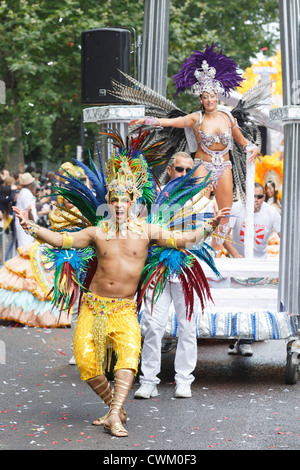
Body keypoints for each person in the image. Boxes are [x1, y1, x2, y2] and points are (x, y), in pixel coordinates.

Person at [13, 148, 230, 438]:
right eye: (114, 200)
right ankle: (115, 409)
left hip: (124, 309)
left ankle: (115, 415)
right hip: (93, 306)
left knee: (128, 358)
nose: (118, 205)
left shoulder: (147, 231)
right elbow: (60, 239)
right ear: (108, 202)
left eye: (124, 200)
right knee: (87, 363)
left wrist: (210, 226)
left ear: (133, 202)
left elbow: (184, 239)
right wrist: (31, 226)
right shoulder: (96, 232)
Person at [129, 44, 260, 251]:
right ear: (201, 99)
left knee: (225, 212)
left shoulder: (228, 116)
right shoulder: (195, 118)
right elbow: (169, 123)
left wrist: (253, 149)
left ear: (217, 96)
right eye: (205, 97)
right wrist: (146, 120)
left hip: (225, 165)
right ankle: (194, 246)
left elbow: (243, 142)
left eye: (212, 96)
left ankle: (216, 252)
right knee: (198, 206)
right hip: (203, 165)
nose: (209, 100)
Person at [135, 151, 214, 399]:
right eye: (179, 169)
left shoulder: (202, 201)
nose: (183, 175)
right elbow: (141, 225)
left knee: (188, 327)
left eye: (188, 171)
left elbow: (204, 237)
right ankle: (148, 381)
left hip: (185, 268)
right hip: (158, 267)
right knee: (152, 326)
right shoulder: (155, 196)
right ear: (170, 170)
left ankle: (184, 380)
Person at [223, 182, 281, 356]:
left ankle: (246, 340)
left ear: (265, 197)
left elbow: (283, 236)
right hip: (237, 265)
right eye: (251, 196)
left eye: (259, 196)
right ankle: (237, 338)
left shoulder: (271, 212)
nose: (255, 200)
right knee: (237, 303)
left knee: (253, 303)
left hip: (260, 265)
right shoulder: (236, 208)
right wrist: (236, 255)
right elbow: (223, 235)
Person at [14, 172, 38, 247]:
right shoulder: (26, 193)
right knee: (27, 247)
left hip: (25, 225)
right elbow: (28, 210)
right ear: (30, 183)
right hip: (27, 225)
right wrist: (33, 225)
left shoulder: (24, 192)